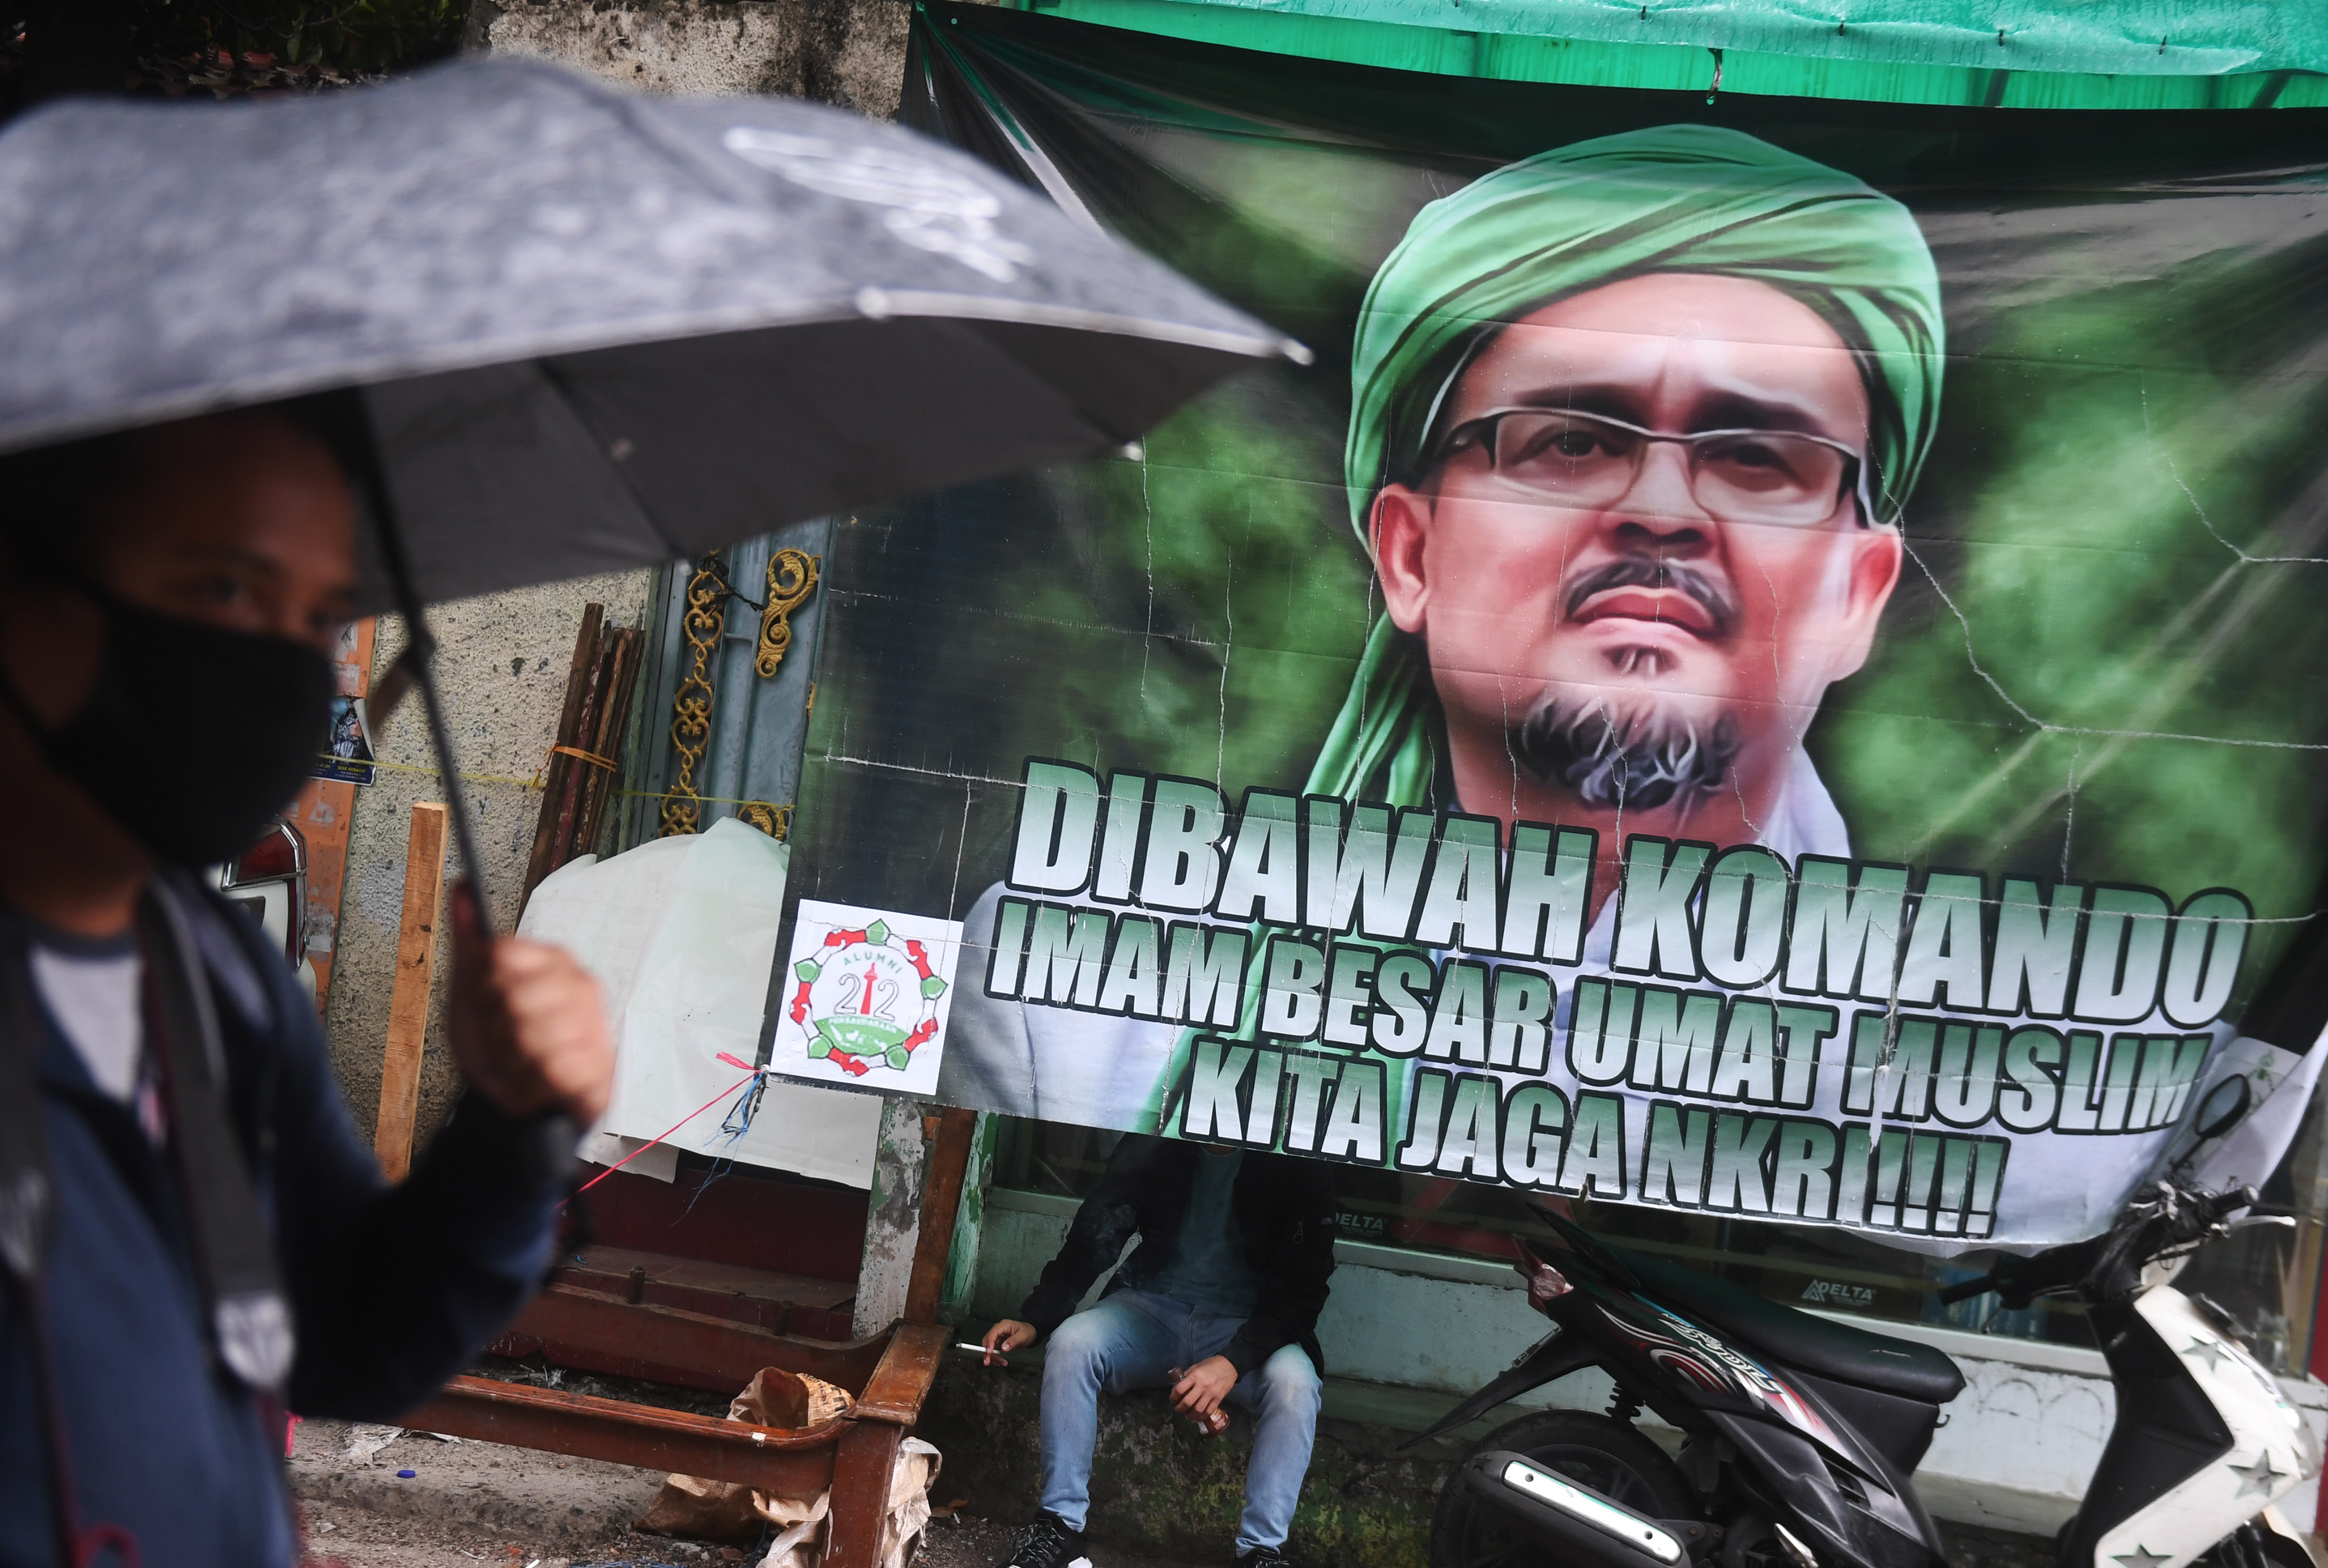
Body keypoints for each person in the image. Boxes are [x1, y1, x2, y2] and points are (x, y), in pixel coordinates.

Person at [939, 122, 1946, 1128]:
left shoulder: (1991, 1097)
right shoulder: (1076, 1001)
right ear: (1410, 556)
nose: (1663, 510)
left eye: (1759, 457)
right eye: (1571, 440)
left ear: (1859, 594)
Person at [0, 403, 616, 1565]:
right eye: (226, 590)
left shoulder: (213, 977)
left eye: (319, 619)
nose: (281, 672)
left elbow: (346, 1338)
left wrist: (514, 1134)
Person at [980, 1137, 1336, 1568]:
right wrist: (1036, 1318)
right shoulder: (1160, 1139)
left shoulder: (1297, 1162)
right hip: (1152, 1308)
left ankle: (1260, 1552)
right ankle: (1061, 1530)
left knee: (1296, 1384)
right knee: (1073, 1343)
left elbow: (1303, 1290)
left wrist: (1232, 1361)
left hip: (1249, 1325)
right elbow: (1097, 1232)